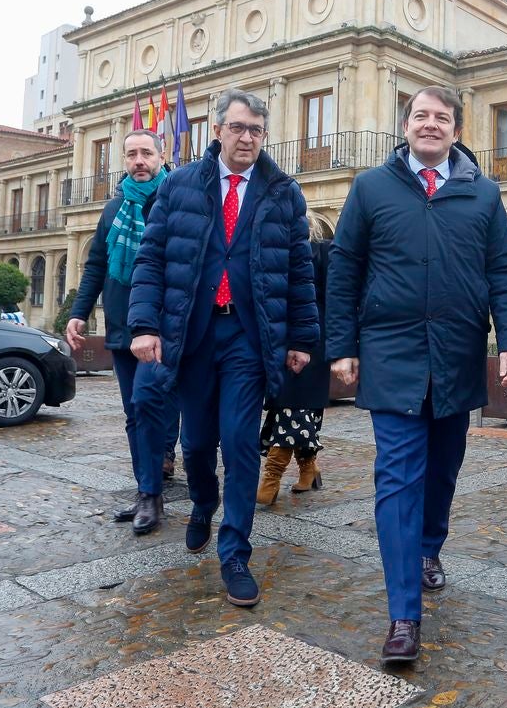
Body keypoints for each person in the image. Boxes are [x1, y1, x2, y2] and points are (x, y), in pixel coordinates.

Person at [325, 85, 507, 665]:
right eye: (421, 116)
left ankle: (429, 546)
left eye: (442, 117)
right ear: (406, 126)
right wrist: (341, 345)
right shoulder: (370, 188)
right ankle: (403, 615)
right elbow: (344, 269)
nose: (431, 125)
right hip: (390, 353)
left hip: (458, 353)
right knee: (396, 477)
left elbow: (504, 271)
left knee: (443, 469)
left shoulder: (483, 194)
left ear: (457, 130)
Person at [127, 88, 319, 610]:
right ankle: (202, 502)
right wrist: (144, 325)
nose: (247, 138)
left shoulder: (283, 192)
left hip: (248, 336)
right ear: (218, 131)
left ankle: (235, 551)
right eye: (238, 128)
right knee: (195, 444)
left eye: (256, 130)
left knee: (238, 441)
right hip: (192, 332)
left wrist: (302, 337)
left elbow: (299, 270)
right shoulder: (181, 185)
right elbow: (152, 260)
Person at [65, 129, 179, 535]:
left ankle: (161, 479)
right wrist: (79, 313)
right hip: (120, 325)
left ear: (161, 156)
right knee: (134, 412)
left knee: (151, 402)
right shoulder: (114, 209)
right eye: (131, 154)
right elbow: (96, 264)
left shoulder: (177, 200)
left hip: (165, 327)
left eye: (146, 153)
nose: (139, 161)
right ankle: (148, 492)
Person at [257, 227, 334, 505]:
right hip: (278, 336)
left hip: (313, 337)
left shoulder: (322, 252)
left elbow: (335, 294)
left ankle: (272, 477)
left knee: (295, 407)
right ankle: (309, 468)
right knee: (287, 406)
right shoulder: (272, 249)